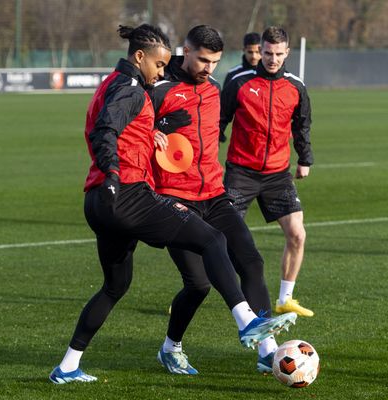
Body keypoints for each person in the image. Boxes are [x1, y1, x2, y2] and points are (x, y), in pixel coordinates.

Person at [49, 24, 296, 385]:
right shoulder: (138, 89)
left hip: (169, 195)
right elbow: (107, 129)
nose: (162, 71)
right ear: (147, 57)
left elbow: (114, 127)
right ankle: (239, 325)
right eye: (160, 64)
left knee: (117, 286)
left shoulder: (127, 85)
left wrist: (146, 138)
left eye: (214, 61)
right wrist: (115, 172)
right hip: (141, 195)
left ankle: (68, 366)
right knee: (207, 257)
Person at [148, 25, 279, 374]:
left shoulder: (214, 88)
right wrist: (154, 132)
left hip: (214, 195)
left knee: (251, 262)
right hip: (175, 199)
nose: (209, 68)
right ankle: (170, 347)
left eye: (215, 62)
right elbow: (131, 135)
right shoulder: (159, 89)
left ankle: (268, 350)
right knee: (198, 285)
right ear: (185, 51)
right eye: (203, 60)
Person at [220, 26, 314, 317]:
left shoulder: (296, 86)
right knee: (218, 237)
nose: (272, 59)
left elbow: (301, 125)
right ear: (260, 50)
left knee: (297, 234)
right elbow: (218, 122)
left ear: (287, 53)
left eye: (278, 54)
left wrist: (305, 159)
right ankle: (192, 289)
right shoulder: (238, 82)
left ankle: (285, 298)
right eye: (268, 53)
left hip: (277, 175)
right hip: (240, 173)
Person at [220, 32, 261, 142]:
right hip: (242, 133)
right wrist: (220, 130)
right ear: (243, 50)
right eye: (250, 52)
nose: (254, 56)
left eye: (257, 52)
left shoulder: (269, 74)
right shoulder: (233, 75)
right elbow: (224, 106)